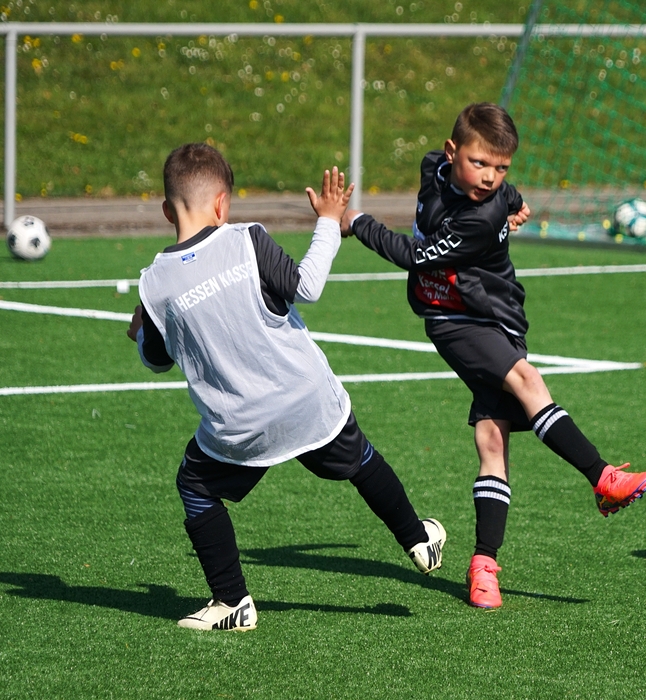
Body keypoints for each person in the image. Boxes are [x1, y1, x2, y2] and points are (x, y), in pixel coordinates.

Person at [340, 103, 646, 609]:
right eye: (480, 163)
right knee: (528, 381)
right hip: (456, 322)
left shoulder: (481, 216)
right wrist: (517, 203)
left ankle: (483, 566)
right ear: (451, 153)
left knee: (492, 440)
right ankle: (603, 478)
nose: (490, 177)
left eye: (502, 168)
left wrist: (355, 221)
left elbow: (416, 251)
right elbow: (427, 245)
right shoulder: (433, 168)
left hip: (496, 319)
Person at [127, 143, 446, 632]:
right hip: (306, 399)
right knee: (360, 459)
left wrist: (139, 331)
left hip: (240, 427)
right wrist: (329, 221)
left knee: (196, 486)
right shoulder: (247, 240)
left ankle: (232, 601)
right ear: (222, 204)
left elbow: (156, 361)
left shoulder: (154, 284)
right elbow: (306, 287)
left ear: (168, 210)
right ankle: (418, 540)